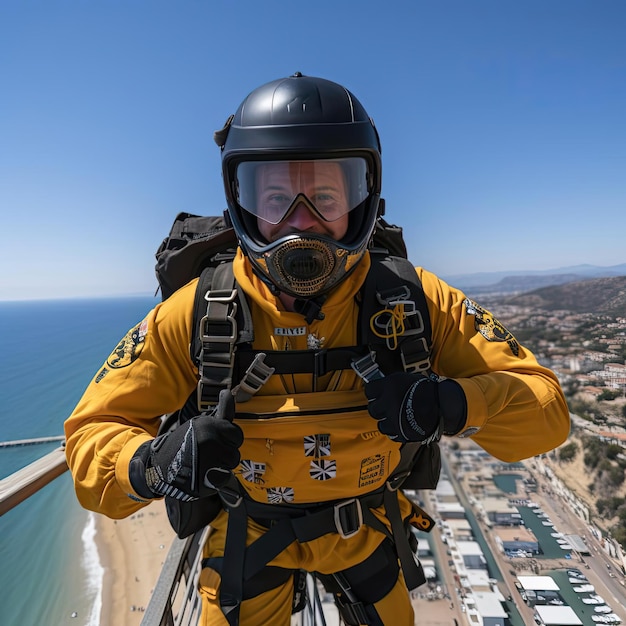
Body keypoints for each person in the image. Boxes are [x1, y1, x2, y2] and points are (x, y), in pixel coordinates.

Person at [64, 73, 570, 625]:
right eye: (278, 198)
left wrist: (453, 402)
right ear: (242, 204)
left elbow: (546, 412)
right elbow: (93, 435)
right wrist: (152, 463)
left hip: (364, 526)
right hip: (249, 528)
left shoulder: (415, 300)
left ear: (362, 201)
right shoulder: (199, 310)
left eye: (324, 197)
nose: (301, 223)